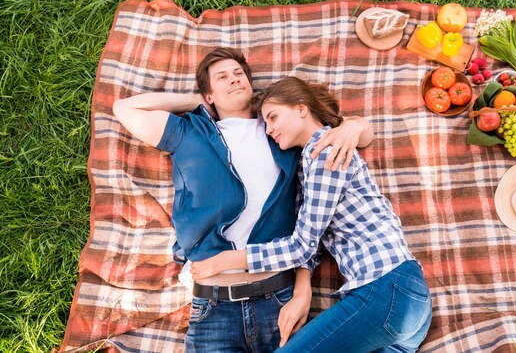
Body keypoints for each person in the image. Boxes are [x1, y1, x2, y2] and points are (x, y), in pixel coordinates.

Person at [112, 47, 374, 353]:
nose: (234, 80)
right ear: (209, 94)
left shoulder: (279, 131)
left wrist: (353, 128)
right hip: (212, 306)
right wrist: (194, 102)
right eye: (222, 77)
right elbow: (124, 109)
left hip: (278, 298)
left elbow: (309, 220)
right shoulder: (189, 132)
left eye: (239, 74)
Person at [191, 76, 432, 352]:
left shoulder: (325, 153)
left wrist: (226, 260)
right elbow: (312, 243)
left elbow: (301, 246)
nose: (269, 129)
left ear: (301, 108)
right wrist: (302, 287)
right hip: (406, 302)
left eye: (273, 117)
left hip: (385, 288)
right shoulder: (310, 164)